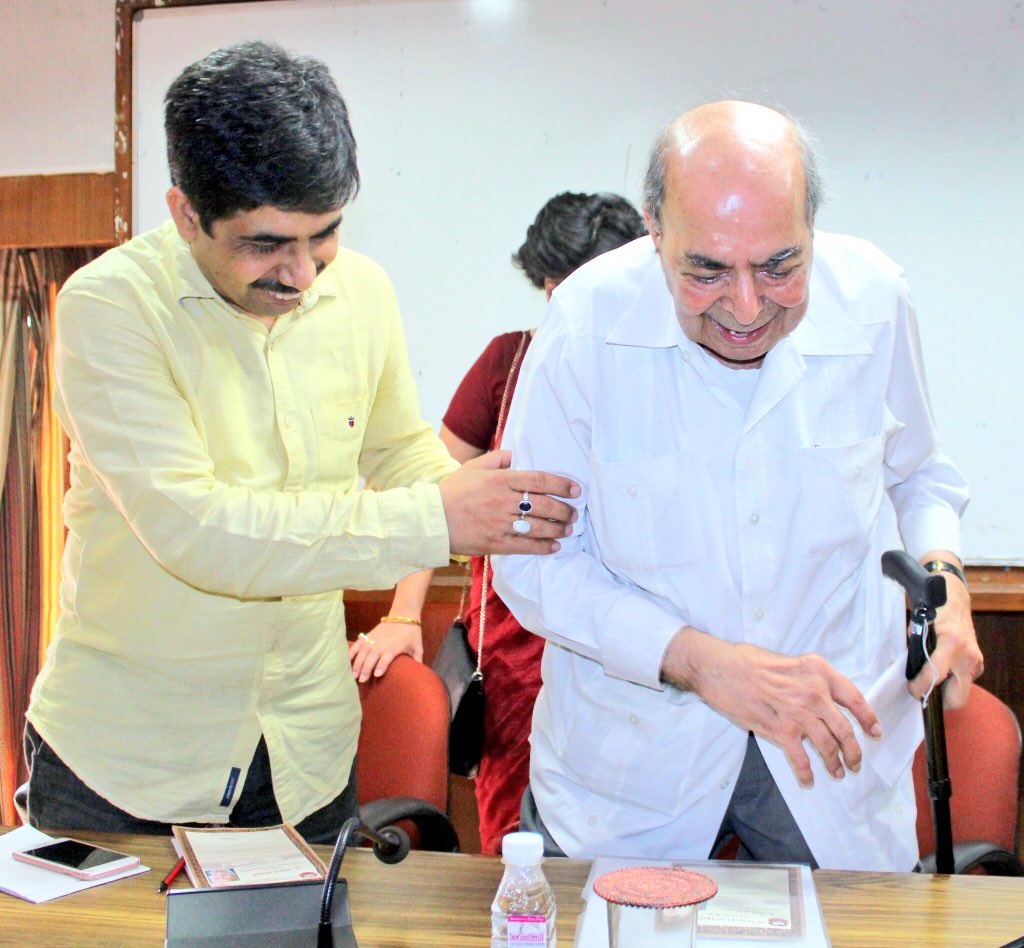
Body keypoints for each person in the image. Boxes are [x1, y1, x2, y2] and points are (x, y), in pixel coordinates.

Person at [21, 41, 578, 845]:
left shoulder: (362, 291)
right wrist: (433, 518)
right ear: (185, 215)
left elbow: (399, 458)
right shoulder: (108, 310)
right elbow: (199, 530)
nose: (303, 275)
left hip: (304, 758)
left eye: (324, 236)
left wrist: (513, 502)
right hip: (128, 765)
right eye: (265, 244)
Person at [492, 100, 984, 871]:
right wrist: (700, 661)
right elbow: (531, 560)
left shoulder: (875, 298)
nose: (747, 307)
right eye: (707, 270)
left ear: (813, 229)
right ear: (655, 230)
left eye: (781, 266)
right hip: (635, 763)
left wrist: (946, 580)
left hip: (831, 751)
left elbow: (920, 473)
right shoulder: (586, 324)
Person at [349, 192, 646, 854]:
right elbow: (431, 493)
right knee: (519, 844)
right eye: (556, 293)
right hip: (519, 653)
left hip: (632, 645)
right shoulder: (508, 363)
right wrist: (402, 616)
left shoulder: (663, 373)